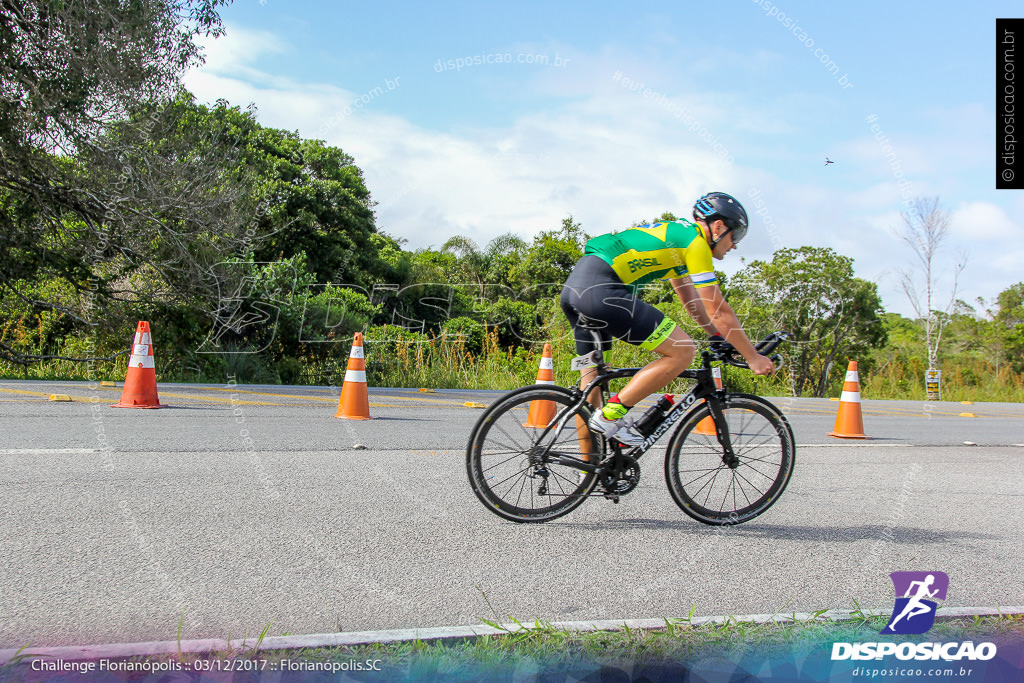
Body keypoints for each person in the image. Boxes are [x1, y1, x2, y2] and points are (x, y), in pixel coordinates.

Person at [559, 191, 775, 447]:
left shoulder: (679, 240)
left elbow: (692, 302)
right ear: (718, 227)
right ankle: (611, 415)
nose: (735, 245)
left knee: (591, 389)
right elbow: (718, 309)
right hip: (602, 290)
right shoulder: (695, 243)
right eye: (735, 235)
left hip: (576, 289)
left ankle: (589, 478)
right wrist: (752, 356)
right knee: (683, 351)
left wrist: (715, 335)